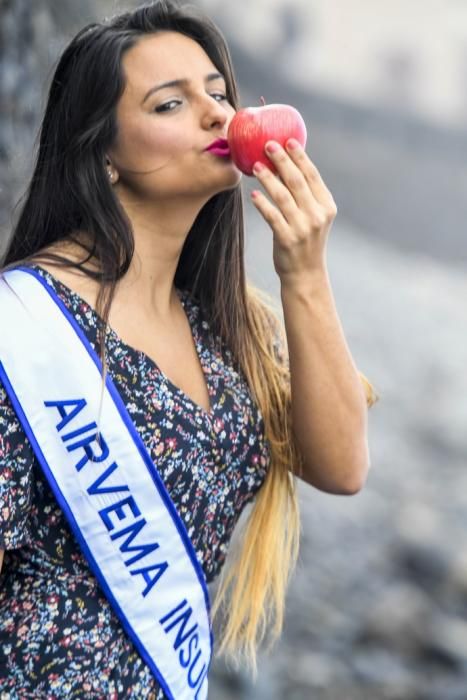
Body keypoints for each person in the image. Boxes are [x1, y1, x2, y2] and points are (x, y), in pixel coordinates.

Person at [0, 0, 376, 697]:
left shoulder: (223, 326)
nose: (217, 116)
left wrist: (304, 270)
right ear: (104, 152)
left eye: (218, 93)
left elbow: (342, 466)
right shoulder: (21, 328)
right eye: (170, 104)